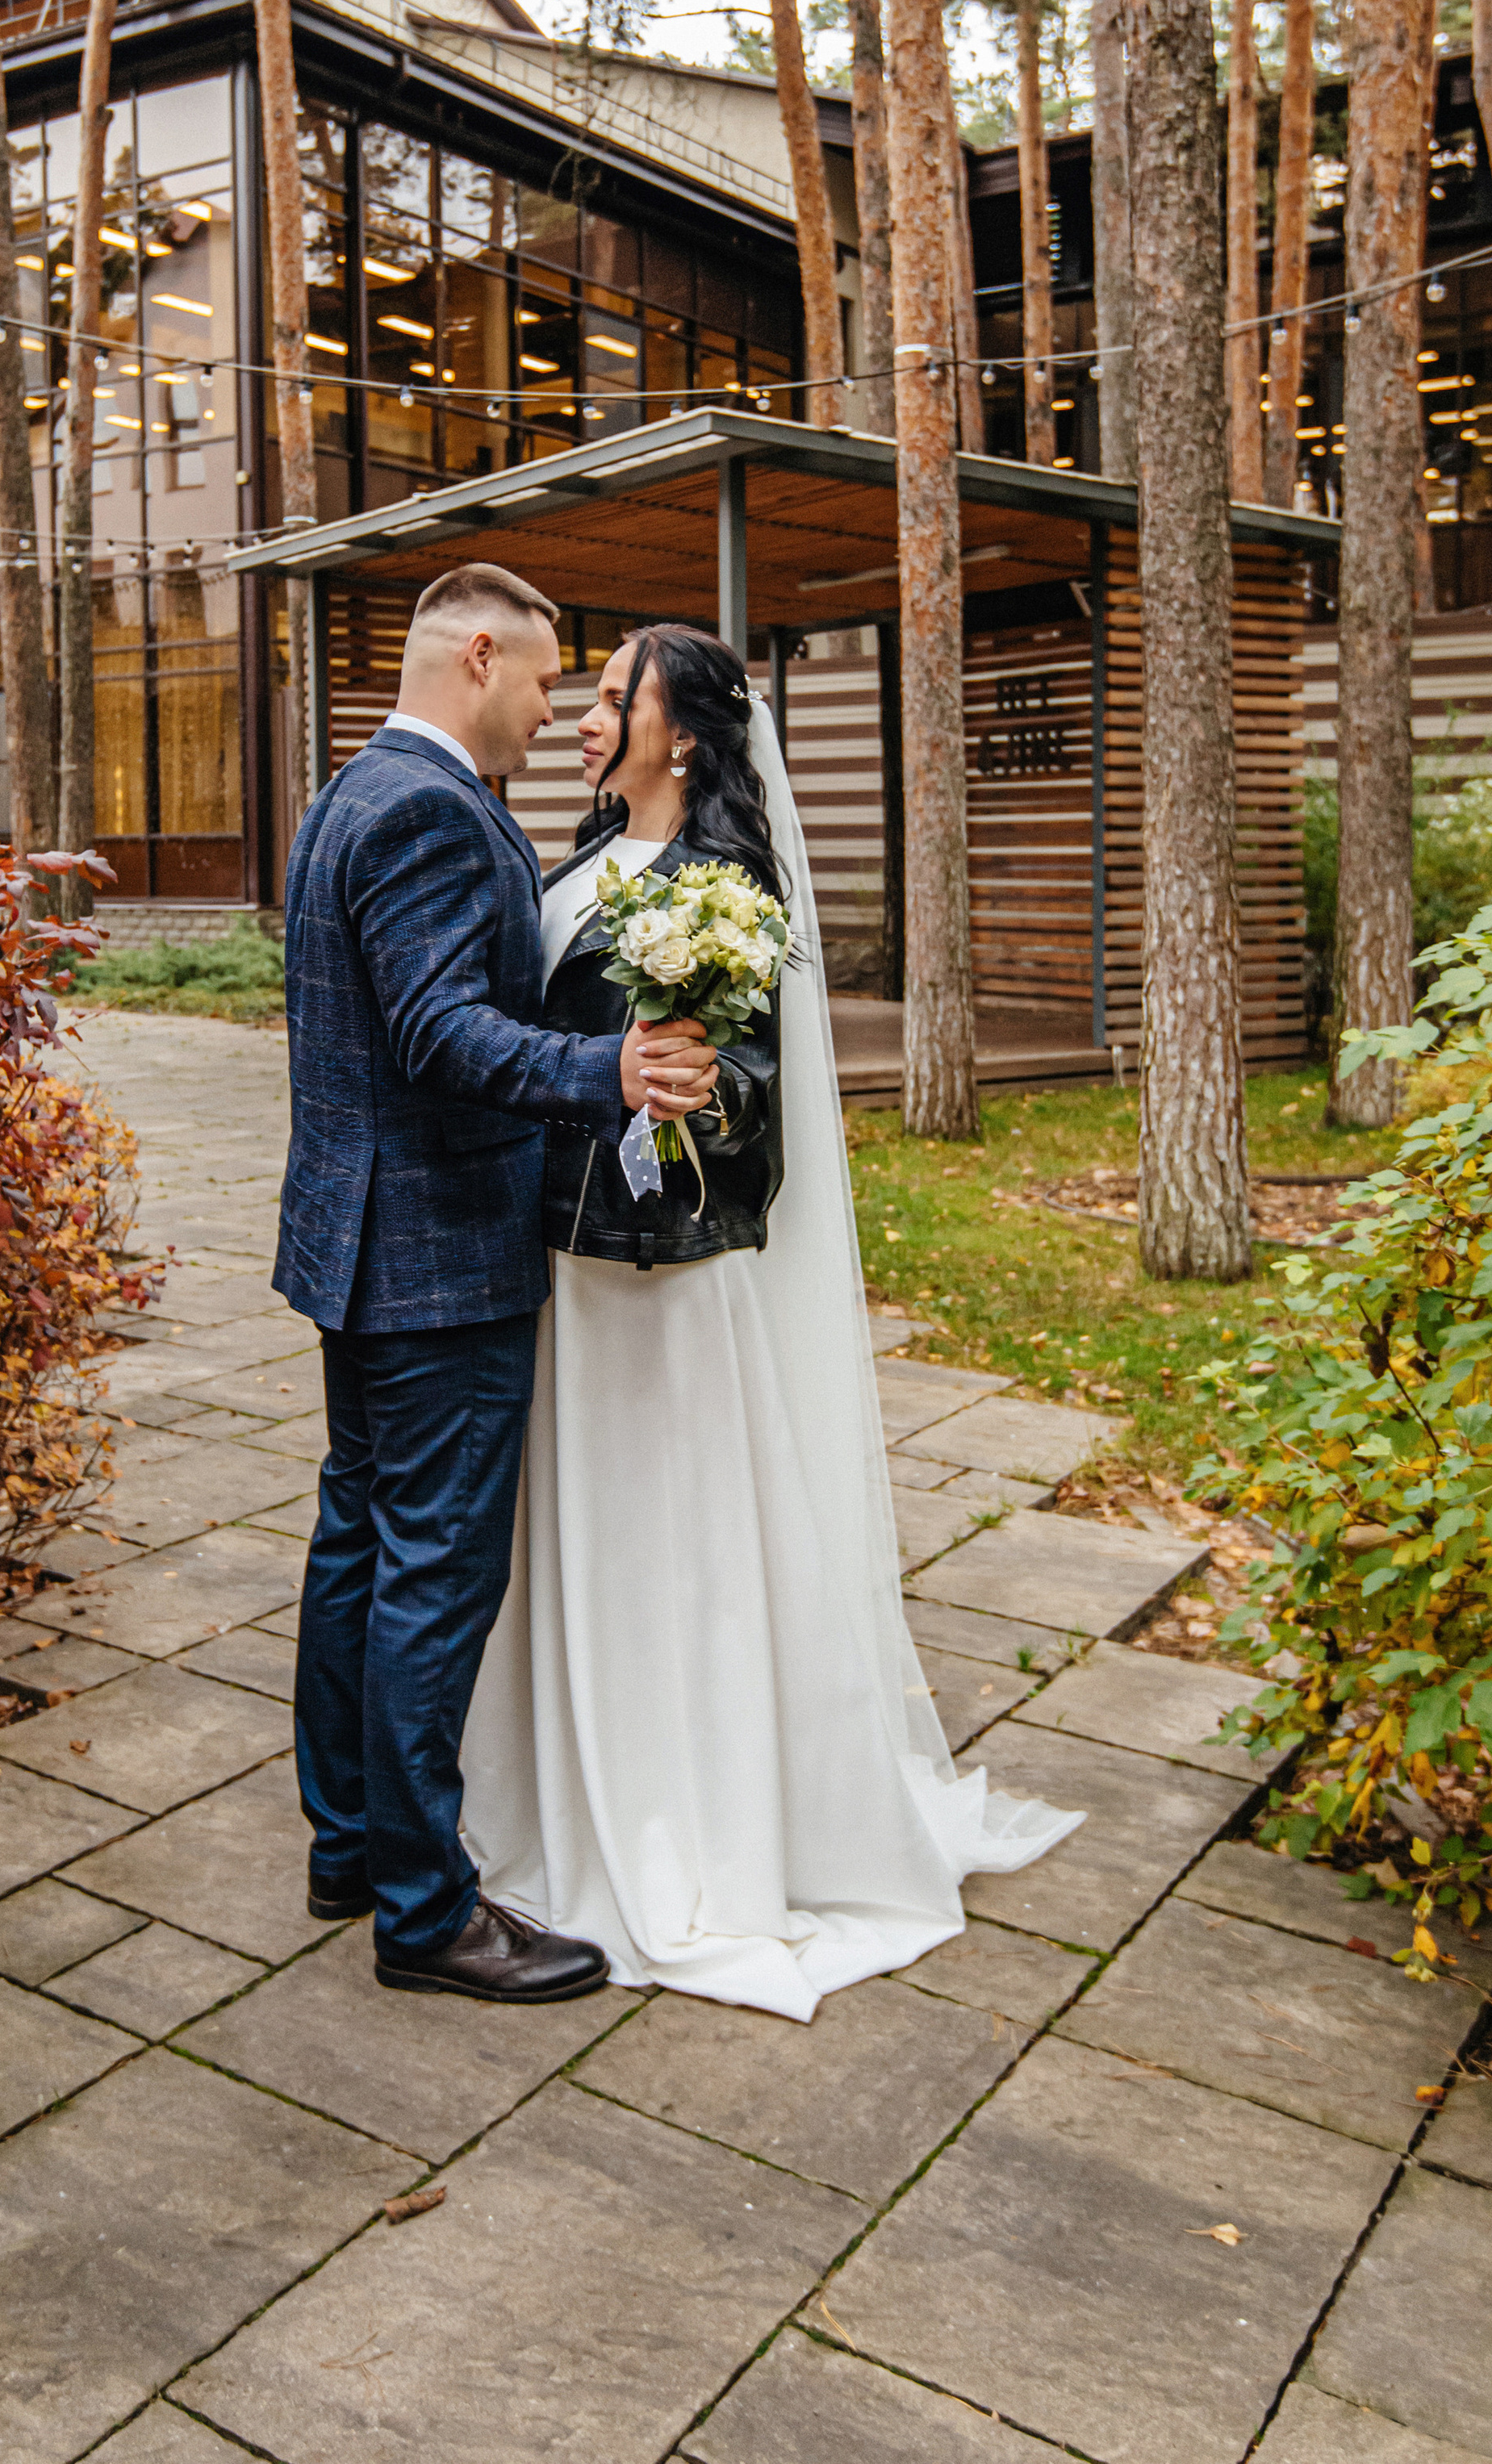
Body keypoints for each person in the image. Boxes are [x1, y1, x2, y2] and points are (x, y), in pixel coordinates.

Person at [460, 623, 1082, 2019]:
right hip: (564, 1275)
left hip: (660, 1288)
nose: (586, 713)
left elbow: (750, 1087)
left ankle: (687, 1819)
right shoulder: (573, 866)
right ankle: (559, 1796)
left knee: (669, 1548)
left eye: (614, 695)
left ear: (679, 733)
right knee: (574, 1536)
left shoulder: (725, 886)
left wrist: (686, 1094)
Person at [275, 563, 719, 2003]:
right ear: (479, 655)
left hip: (360, 1244)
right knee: (430, 1573)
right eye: (541, 683)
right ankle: (425, 1911)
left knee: (359, 1539)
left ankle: (348, 1843)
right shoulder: (424, 808)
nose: (550, 716)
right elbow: (440, 1033)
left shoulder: (347, 792)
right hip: (435, 1258)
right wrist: (610, 1069)